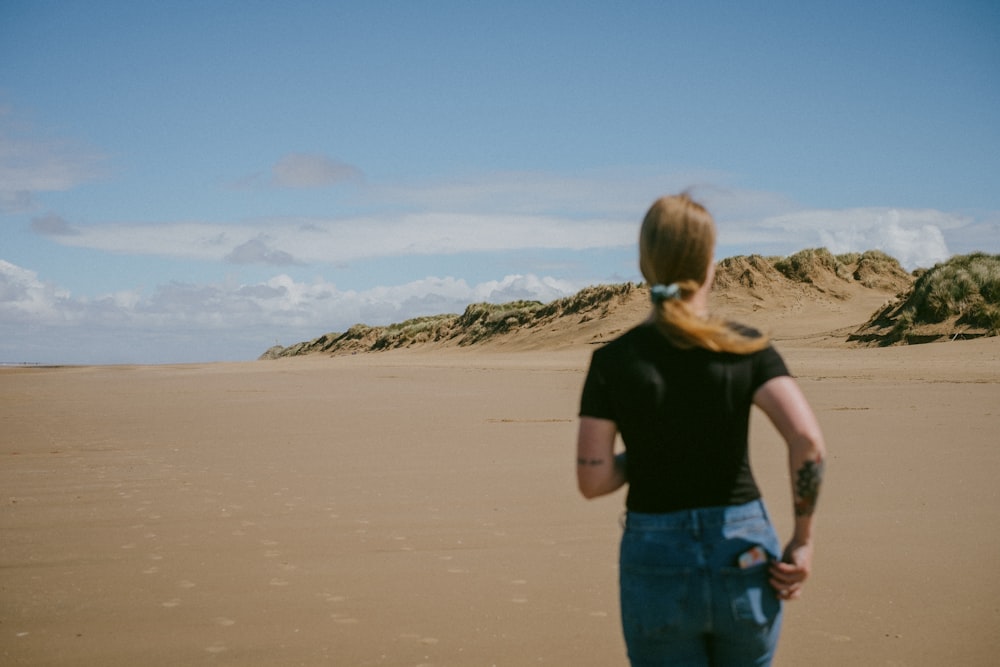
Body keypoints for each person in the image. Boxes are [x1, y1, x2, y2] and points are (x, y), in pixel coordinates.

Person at [576, 193, 826, 666]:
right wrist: (803, 538)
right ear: (710, 264)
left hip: (656, 553)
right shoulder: (746, 347)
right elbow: (807, 439)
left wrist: (648, 453)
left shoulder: (612, 361)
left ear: (644, 263)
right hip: (743, 550)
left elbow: (593, 479)